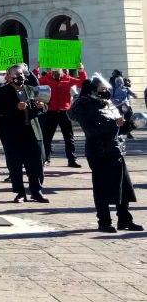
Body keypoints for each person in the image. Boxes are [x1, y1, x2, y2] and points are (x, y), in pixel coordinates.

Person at [70, 77, 142, 232]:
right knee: (102, 188)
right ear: (92, 90)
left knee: (123, 187)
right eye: (102, 89)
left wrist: (131, 125)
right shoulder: (84, 105)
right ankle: (104, 221)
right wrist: (113, 124)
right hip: (98, 151)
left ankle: (124, 219)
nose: (106, 91)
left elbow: (117, 129)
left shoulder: (107, 104)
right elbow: (91, 130)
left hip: (115, 149)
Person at [0, 64, 48, 203]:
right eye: (16, 74)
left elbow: (44, 107)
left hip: (32, 132)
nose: (19, 76)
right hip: (11, 133)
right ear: (9, 77)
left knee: (36, 163)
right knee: (15, 164)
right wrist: (14, 107)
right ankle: (20, 193)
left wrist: (41, 106)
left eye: (21, 73)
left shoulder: (31, 90)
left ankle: (36, 191)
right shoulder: (1, 92)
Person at [37, 64, 86, 168]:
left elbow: (82, 83)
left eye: (58, 68)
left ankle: (71, 159)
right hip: (50, 112)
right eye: (54, 68)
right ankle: (46, 158)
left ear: (62, 70)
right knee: (47, 137)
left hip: (65, 112)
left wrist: (81, 70)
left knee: (69, 137)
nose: (56, 70)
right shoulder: (46, 79)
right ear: (50, 70)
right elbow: (35, 83)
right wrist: (37, 69)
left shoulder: (67, 79)